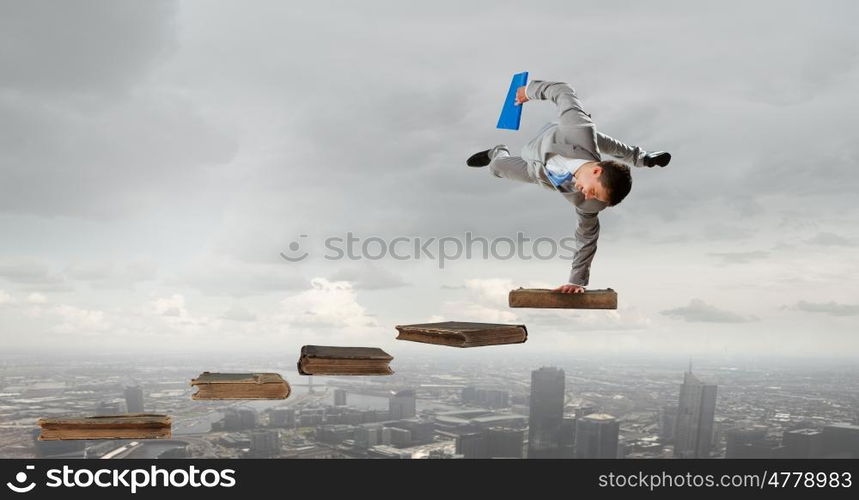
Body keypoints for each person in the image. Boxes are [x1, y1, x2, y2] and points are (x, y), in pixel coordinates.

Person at [466, 79, 671, 294]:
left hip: (539, 173)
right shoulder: (578, 130)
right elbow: (563, 91)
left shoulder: (591, 202)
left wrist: (577, 281)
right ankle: (642, 157)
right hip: (554, 141)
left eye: (595, 197)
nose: (587, 195)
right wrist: (528, 91)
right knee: (591, 136)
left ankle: (496, 153)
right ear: (596, 172)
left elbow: (587, 237)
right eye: (593, 191)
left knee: (496, 167)